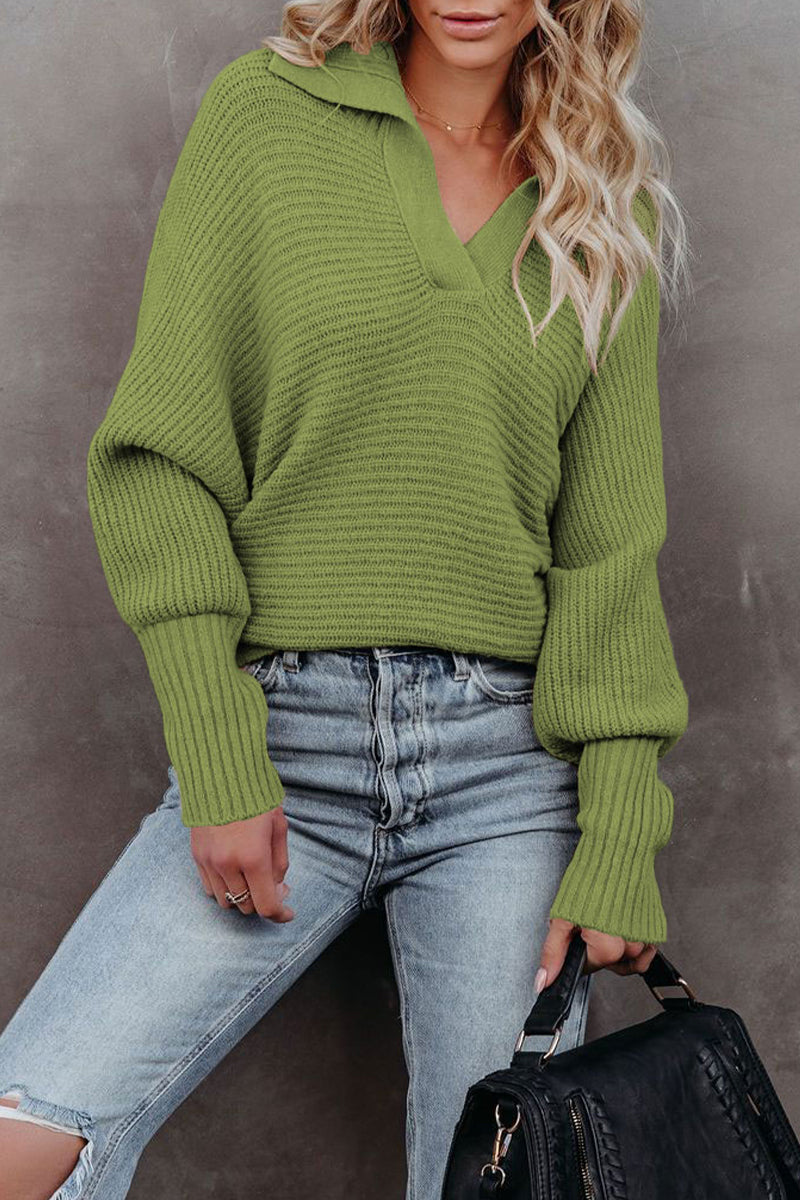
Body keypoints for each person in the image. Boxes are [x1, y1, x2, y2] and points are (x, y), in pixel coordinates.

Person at [0, 0, 691, 1196]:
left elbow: (608, 553)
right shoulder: (266, 117)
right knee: (27, 1136)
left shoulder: (595, 197)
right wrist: (218, 751)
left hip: (508, 777)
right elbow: (162, 458)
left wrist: (621, 832)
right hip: (284, 740)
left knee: (491, 1178)